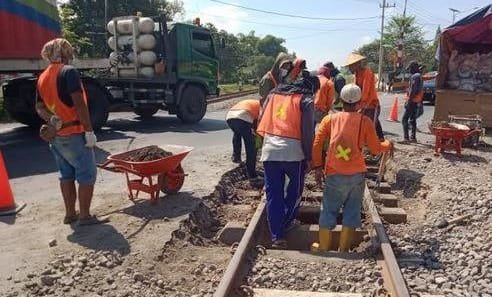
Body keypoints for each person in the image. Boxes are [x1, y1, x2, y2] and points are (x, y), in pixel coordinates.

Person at [311, 84, 393, 252]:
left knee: (328, 210)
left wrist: (318, 167)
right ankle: (343, 249)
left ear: (340, 100)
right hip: (356, 176)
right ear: (359, 103)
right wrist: (388, 144)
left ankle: (323, 247)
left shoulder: (329, 119)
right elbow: (376, 148)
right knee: (351, 212)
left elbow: (317, 143)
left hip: (334, 174)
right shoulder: (365, 121)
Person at [36, 38, 105, 226]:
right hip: (75, 132)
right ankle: (84, 216)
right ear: (64, 53)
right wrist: (89, 130)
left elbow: (39, 107)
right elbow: (79, 103)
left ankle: (70, 214)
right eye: (69, 51)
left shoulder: (42, 77)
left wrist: (51, 119)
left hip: (57, 135)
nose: (71, 54)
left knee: (66, 175)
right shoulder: (69, 72)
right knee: (87, 174)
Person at [256, 70, 319, 249]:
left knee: (273, 194)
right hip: (293, 153)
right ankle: (287, 221)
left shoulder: (273, 93)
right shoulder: (306, 99)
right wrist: (308, 157)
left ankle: (276, 235)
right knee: (296, 190)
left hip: (270, 151)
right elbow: (308, 132)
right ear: (312, 88)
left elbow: (261, 118)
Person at [343, 53, 384, 140]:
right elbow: (355, 90)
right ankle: (377, 143)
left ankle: (378, 146)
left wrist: (361, 105)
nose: (349, 68)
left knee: (371, 127)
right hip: (363, 105)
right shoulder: (356, 75)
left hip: (371, 104)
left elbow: (366, 91)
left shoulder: (367, 73)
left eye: (351, 66)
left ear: (357, 64)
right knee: (369, 125)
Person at [226, 99, 263, 187]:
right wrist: (258, 144)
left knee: (237, 134)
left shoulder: (254, 103)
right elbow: (259, 128)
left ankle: (236, 157)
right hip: (243, 116)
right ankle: (253, 177)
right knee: (251, 147)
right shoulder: (262, 108)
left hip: (230, 116)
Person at [402, 61, 424, 142]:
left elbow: (413, 90)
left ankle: (406, 138)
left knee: (404, 119)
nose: (409, 70)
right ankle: (413, 137)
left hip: (412, 100)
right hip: (417, 100)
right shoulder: (419, 76)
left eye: (410, 68)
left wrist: (409, 100)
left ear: (413, 68)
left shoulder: (415, 76)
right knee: (412, 119)